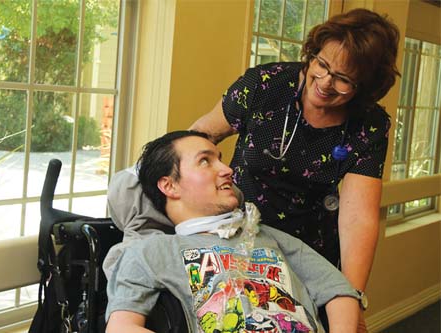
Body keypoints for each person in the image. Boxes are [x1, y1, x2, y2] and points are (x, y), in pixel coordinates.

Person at [190, 8, 400, 328]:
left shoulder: (369, 125)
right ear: (312, 52)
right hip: (237, 240)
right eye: (322, 64)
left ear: (366, 86)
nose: (325, 83)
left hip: (308, 255)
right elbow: (199, 137)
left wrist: (351, 296)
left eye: (343, 79)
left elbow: (358, 216)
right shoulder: (265, 85)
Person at [105, 130, 361, 333]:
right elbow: (121, 327)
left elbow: (339, 291)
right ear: (170, 186)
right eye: (205, 161)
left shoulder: (268, 236)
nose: (227, 169)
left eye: (220, 159)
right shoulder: (149, 252)